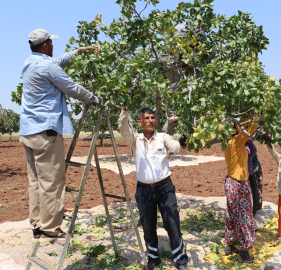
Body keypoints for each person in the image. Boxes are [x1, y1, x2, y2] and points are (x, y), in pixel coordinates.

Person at [19, 29, 101, 243]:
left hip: (29, 132)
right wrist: (94, 99)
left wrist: (76, 52)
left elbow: (56, 64)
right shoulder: (48, 66)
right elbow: (71, 87)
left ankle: (37, 224)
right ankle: (51, 228)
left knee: (36, 181)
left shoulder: (30, 63)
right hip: (46, 133)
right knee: (53, 182)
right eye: (51, 43)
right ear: (45, 45)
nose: (53, 46)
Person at [118, 105, 189, 270]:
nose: (150, 121)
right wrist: (125, 110)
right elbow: (122, 127)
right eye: (147, 118)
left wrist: (183, 144)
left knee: (172, 223)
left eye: (152, 117)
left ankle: (180, 258)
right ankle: (153, 257)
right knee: (148, 226)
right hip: (144, 190)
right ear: (140, 122)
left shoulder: (163, 137)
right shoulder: (135, 139)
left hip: (165, 189)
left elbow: (176, 148)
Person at [223, 116, 258, 263]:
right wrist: (255, 112)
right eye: (238, 125)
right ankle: (244, 250)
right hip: (238, 184)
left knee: (232, 214)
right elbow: (253, 126)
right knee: (245, 217)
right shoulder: (237, 141)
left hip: (234, 182)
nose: (241, 126)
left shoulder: (227, 142)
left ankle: (230, 245)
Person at [245, 139, 259, 217]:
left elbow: (254, 151)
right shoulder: (235, 141)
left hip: (249, 175)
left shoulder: (248, 142)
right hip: (239, 176)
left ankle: (251, 217)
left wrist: (248, 141)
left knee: (252, 197)